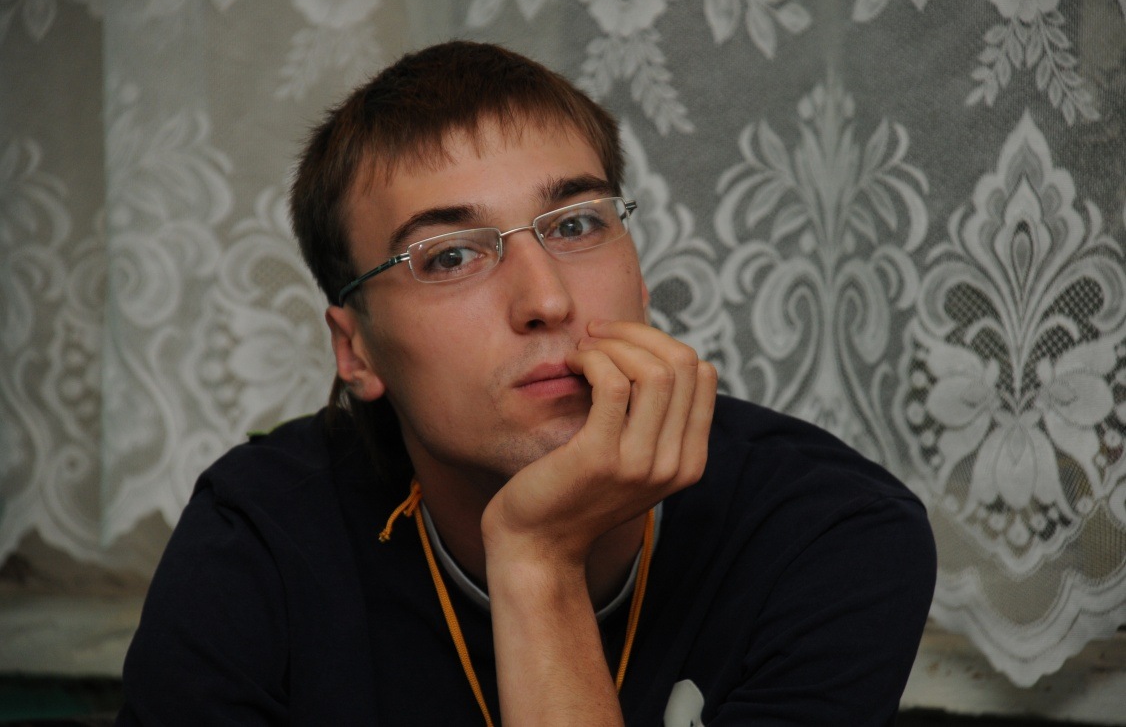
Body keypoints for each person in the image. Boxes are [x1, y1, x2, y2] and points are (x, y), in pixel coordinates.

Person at [117, 41, 936, 726]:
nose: (547, 300)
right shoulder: (256, 538)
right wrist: (539, 552)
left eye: (576, 224)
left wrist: (537, 561)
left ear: (640, 277)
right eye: (450, 256)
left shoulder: (829, 532)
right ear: (355, 350)